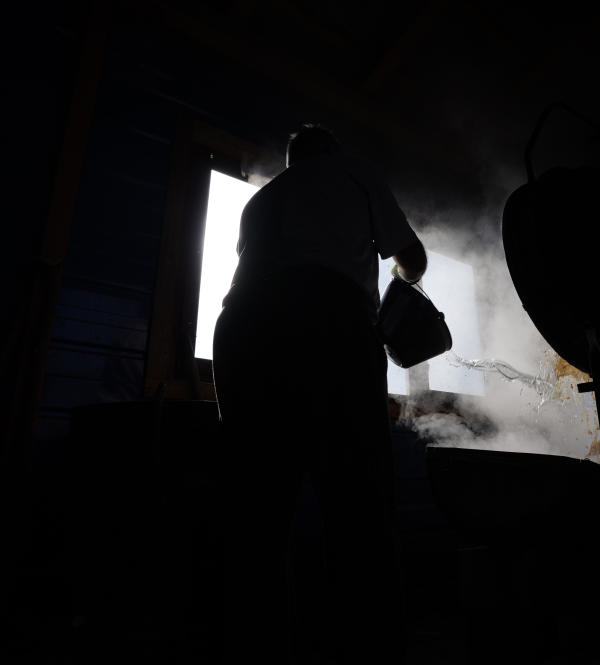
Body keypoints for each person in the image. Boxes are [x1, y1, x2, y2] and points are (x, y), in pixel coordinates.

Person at [212, 123, 426, 664]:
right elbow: (413, 257)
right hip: (326, 320)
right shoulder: (354, 171)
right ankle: (371, 647)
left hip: (240, 332)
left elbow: (262, 270)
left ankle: (254, 646)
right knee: (358, 506)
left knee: (256, 509)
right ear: (332, 151)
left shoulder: (262, 199)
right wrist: (401, 284)